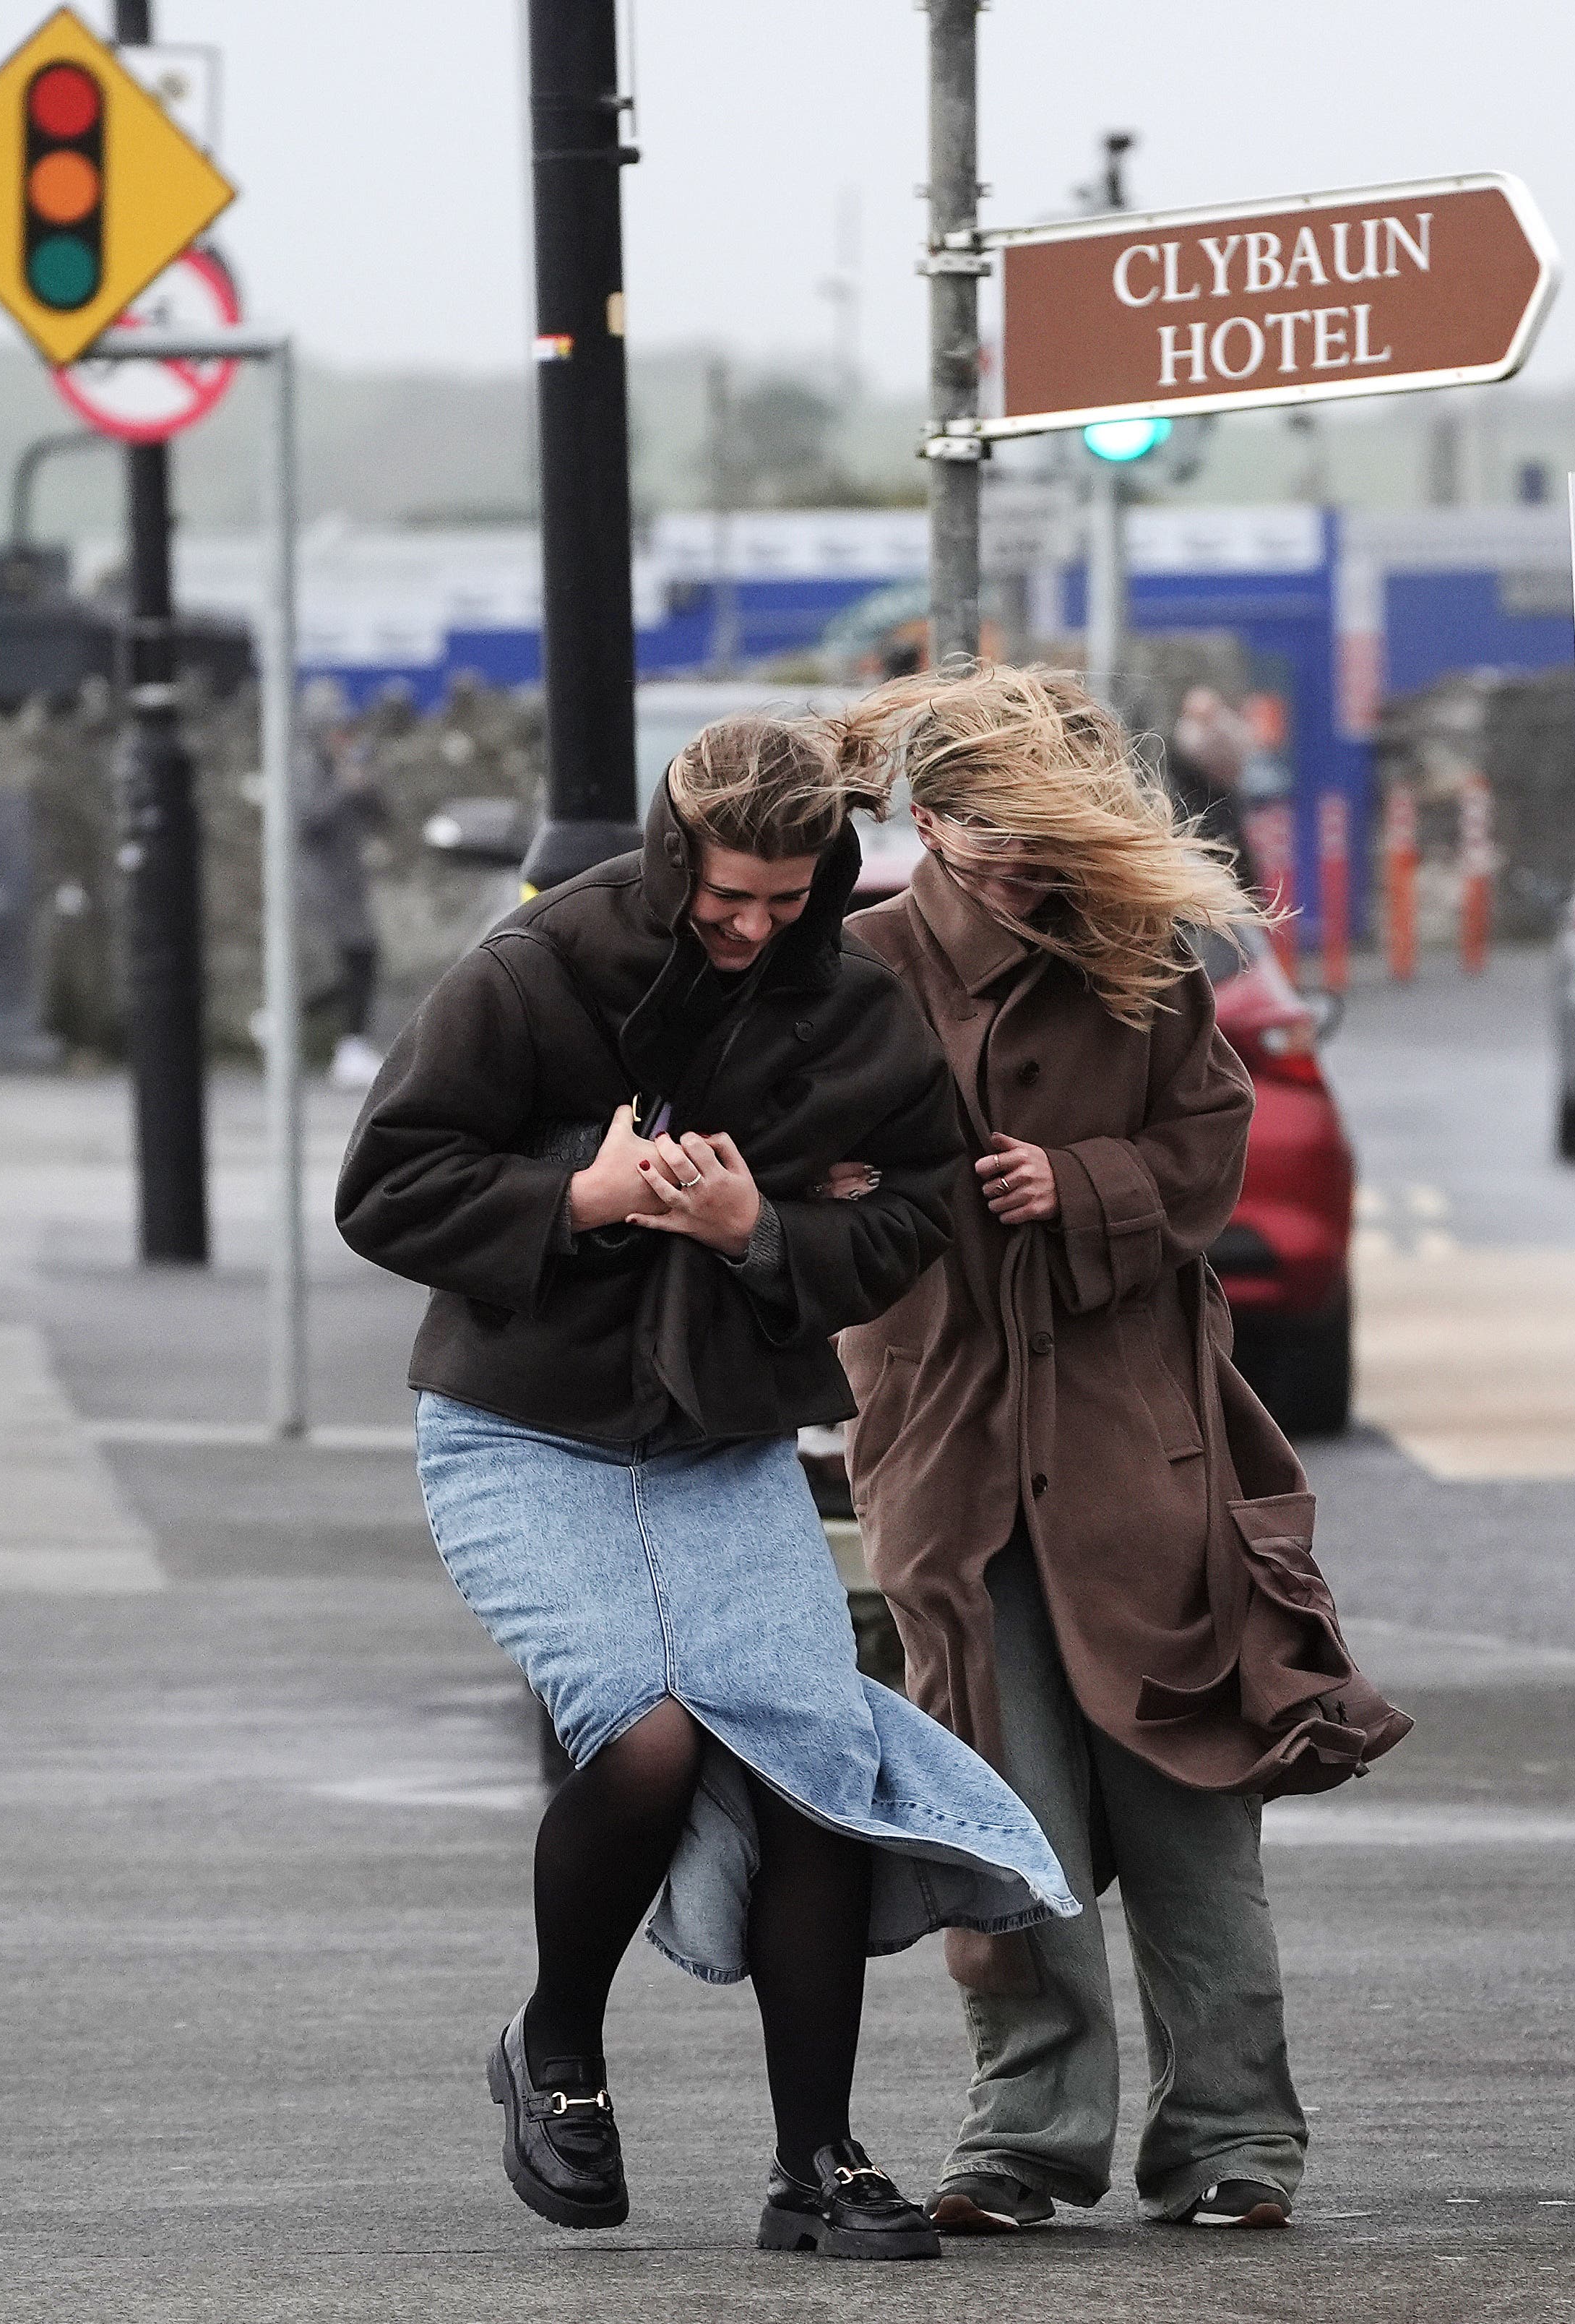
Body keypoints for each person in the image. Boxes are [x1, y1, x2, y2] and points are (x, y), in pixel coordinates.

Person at [334, 712, 1076, 2262]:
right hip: (521, 1428)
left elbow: (918, 1210)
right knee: (654, 1730)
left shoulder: (855, 1010)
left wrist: (760, 1230)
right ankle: (558, 2047)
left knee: (810, 1756)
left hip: (722, 1434)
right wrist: (583, 1195)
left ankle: (816, 2162)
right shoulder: (537, 967)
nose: (750, 928)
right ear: (678, 856)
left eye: (784, 900)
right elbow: (386, 1183)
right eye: (726, 897)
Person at [833, 666, 1410, 2238]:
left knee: (1189, 1801)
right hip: (948, 1450)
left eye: (1053, 833)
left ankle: (1233, 2139)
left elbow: (1207, 1157)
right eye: (999, 834)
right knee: (1001, 1814)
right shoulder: (856, 974)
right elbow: (811, 1206)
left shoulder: (1144, 969)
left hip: (1136, 1447)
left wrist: (1079, 1186)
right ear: (930, 822)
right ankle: (1024, 2139)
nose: (1029, 862)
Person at [295, 681, 391, 1089]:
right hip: (319, 881)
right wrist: (342, 788)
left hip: (348, 880)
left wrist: (364, 786)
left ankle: (332, 1037)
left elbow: (382, 813)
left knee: (360, 960)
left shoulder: (344, 764)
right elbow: (308, 821)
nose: (343, 736)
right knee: (354, 959)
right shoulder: (303, 765)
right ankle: (346, 1045)